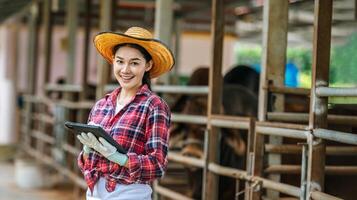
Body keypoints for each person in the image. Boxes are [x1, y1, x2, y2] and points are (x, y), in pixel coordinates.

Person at [76, 27, 174, 200]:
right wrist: (87, 150)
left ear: (148, 65)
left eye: (134, 63)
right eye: (120, 61)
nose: (125, 70)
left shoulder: (154, 106)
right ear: (113, 61)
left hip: (129, 193)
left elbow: (157, 165)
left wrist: (119, 158)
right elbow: (87, 165)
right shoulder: (101, 106)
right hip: (94, 192)